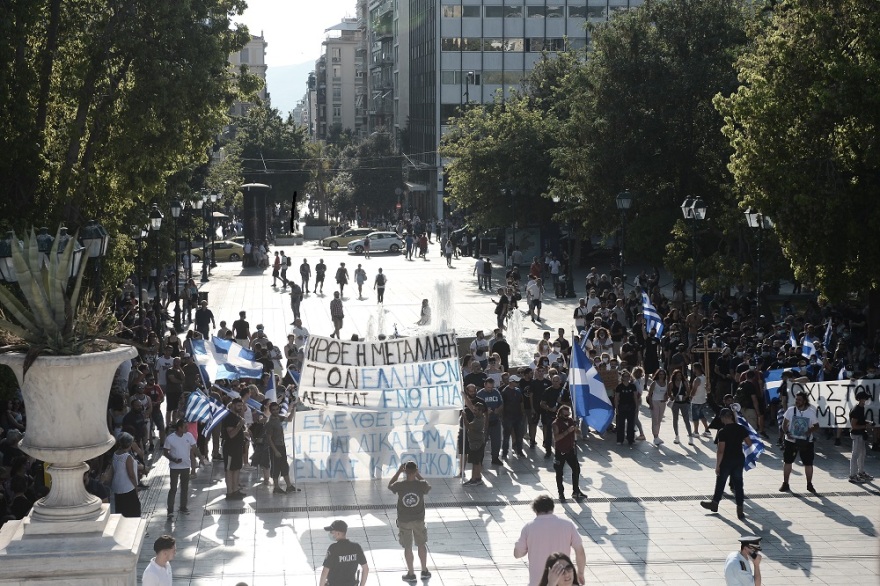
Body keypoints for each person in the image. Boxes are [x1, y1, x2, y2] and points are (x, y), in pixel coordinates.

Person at [513, 495, 586, 586]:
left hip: (537, 582)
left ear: (535, 510)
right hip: (563, 580)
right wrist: (580, 573)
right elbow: (580, 551)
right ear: (552, 508)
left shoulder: (528, 528)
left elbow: (517, 554)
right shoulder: (567, 525)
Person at [700, 408, 753, 520]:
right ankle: (740, 509)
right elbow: (749, 443)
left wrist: (717, 465)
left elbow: (720, 451)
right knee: (738, 485)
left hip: (727, 460)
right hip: (739, 459)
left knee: (721, 482)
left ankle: (715, 504)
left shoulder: (723, 431)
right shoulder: (741, 428)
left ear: (724, 417)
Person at [387, 461, 432, 582]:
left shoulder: (400, 485)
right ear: (416, 470)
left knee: (408, 547)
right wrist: (417, 475)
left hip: (404, 520)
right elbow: (428, 486)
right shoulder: (421, 484)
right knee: (421, 544)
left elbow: (390, 485)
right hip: (418, 520)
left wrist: (398, 472)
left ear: (405, 471)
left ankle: (411, 573)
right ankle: (424, 570)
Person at [780, 390, 820, 493]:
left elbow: (816, 426)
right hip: (791, 441)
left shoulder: (810, 412)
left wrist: (809, 431)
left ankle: (809, 484)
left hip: (806, 442)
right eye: (796, 399)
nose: (797, 401)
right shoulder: (790, 410)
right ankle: (785, 483)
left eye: (799, 400)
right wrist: (787, 432)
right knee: (788, 461)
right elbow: (784, 424)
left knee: (808, 463)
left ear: (805, 401)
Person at [163, 419, 198, 517]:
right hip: (174, 467)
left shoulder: (189, 436)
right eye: (185, 427)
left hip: (186, 467)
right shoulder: (170, 438)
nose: (187, 428)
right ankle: (170, 510)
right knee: (173, 488)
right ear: (179, 428)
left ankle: (183, 507)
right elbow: (165, 452)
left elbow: (194, 448)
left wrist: (201, 458)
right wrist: (173, 459)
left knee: (185, 488)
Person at [320, 520, 369, 586]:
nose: (330, 534)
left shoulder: (333, 548)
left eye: (332, 532)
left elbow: (325, 572)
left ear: (338, 533)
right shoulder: (356, 547)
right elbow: (365, 569)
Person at [266, 401, 301, 494]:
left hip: (281, 445)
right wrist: (275, 451)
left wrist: (294, 409)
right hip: (275, 447)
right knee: (276, 467)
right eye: (273, 410)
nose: (275, 411)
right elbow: (269, 439)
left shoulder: (278, 418)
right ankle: (276, 487)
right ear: (270, 411)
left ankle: (289, 486)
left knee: (284, 466)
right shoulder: (270, 423)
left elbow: (289, 419)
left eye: (277, 409)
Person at [552, 405, 583, 501]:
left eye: (568, 415)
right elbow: (556, 438)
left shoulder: (570, 421)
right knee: (559, 472)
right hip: (560, 451)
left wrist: (577, 429)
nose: (567, 417)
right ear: (560, 414)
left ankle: (576, 490)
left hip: (570, 450)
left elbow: (578, 433)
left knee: (576, 469)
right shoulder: (556, 423)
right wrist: (567, 431)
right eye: (565, 415)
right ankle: (561, 493)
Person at [110, 432, 141, 518]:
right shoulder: (127, 457)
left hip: (117, 487)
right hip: (127, 488)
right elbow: (131, 474)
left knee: (121, 512)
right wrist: (136, 487)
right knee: (134, 511)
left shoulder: (115, 454)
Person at [222, 398, 248, 500]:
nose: (240, 408)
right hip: (230, 448)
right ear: (233, 405)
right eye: (238, 406)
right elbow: (231, 434)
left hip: (237, 448)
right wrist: (240, 425)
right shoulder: (229, 417)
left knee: (237, 468)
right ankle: (230, 492)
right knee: (229, 470)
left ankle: (235, 490)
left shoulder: (236, 416)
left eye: (241, 406)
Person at [849, 389, 874, 483]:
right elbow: (854, 425)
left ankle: (861, 472)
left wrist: (867, 423)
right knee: (855, 455)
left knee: (862, 454)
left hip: (860, 434)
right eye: (866, 398)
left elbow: (859, 421)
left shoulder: (861, 408)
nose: (867, 400)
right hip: (857, 435)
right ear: (861, 399)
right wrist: (865, 425)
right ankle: (852, 475)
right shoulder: (856, 410)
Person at [613, 370, 640, 447]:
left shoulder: (632, 386)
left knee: (631, 424)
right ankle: (620, 439)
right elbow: (616, 398)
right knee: (620, 424)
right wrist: (616, 408)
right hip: (622, 406)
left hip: (631, 406)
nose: (626, 378)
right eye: (625, 376)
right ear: (622, 378)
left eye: (628, 376)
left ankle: (630, 439)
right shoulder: (619, 387)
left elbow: (635, 397)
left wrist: (636, 406)